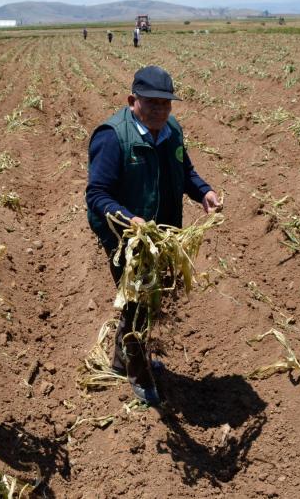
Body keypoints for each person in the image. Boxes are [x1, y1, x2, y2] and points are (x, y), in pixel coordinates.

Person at [86, 66, 222, 405]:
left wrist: (202, 192)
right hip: (125, 239)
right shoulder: (112, 137)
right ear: (133, 101)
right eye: (152, 103)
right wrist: (129, 220)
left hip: (161, 235)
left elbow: (184, 170)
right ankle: (139, 375)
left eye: (166, 103)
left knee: (146, 301)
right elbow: (97, 194)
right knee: (138, 303)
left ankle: (123, 360)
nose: (160, 110)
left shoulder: (170, 131)